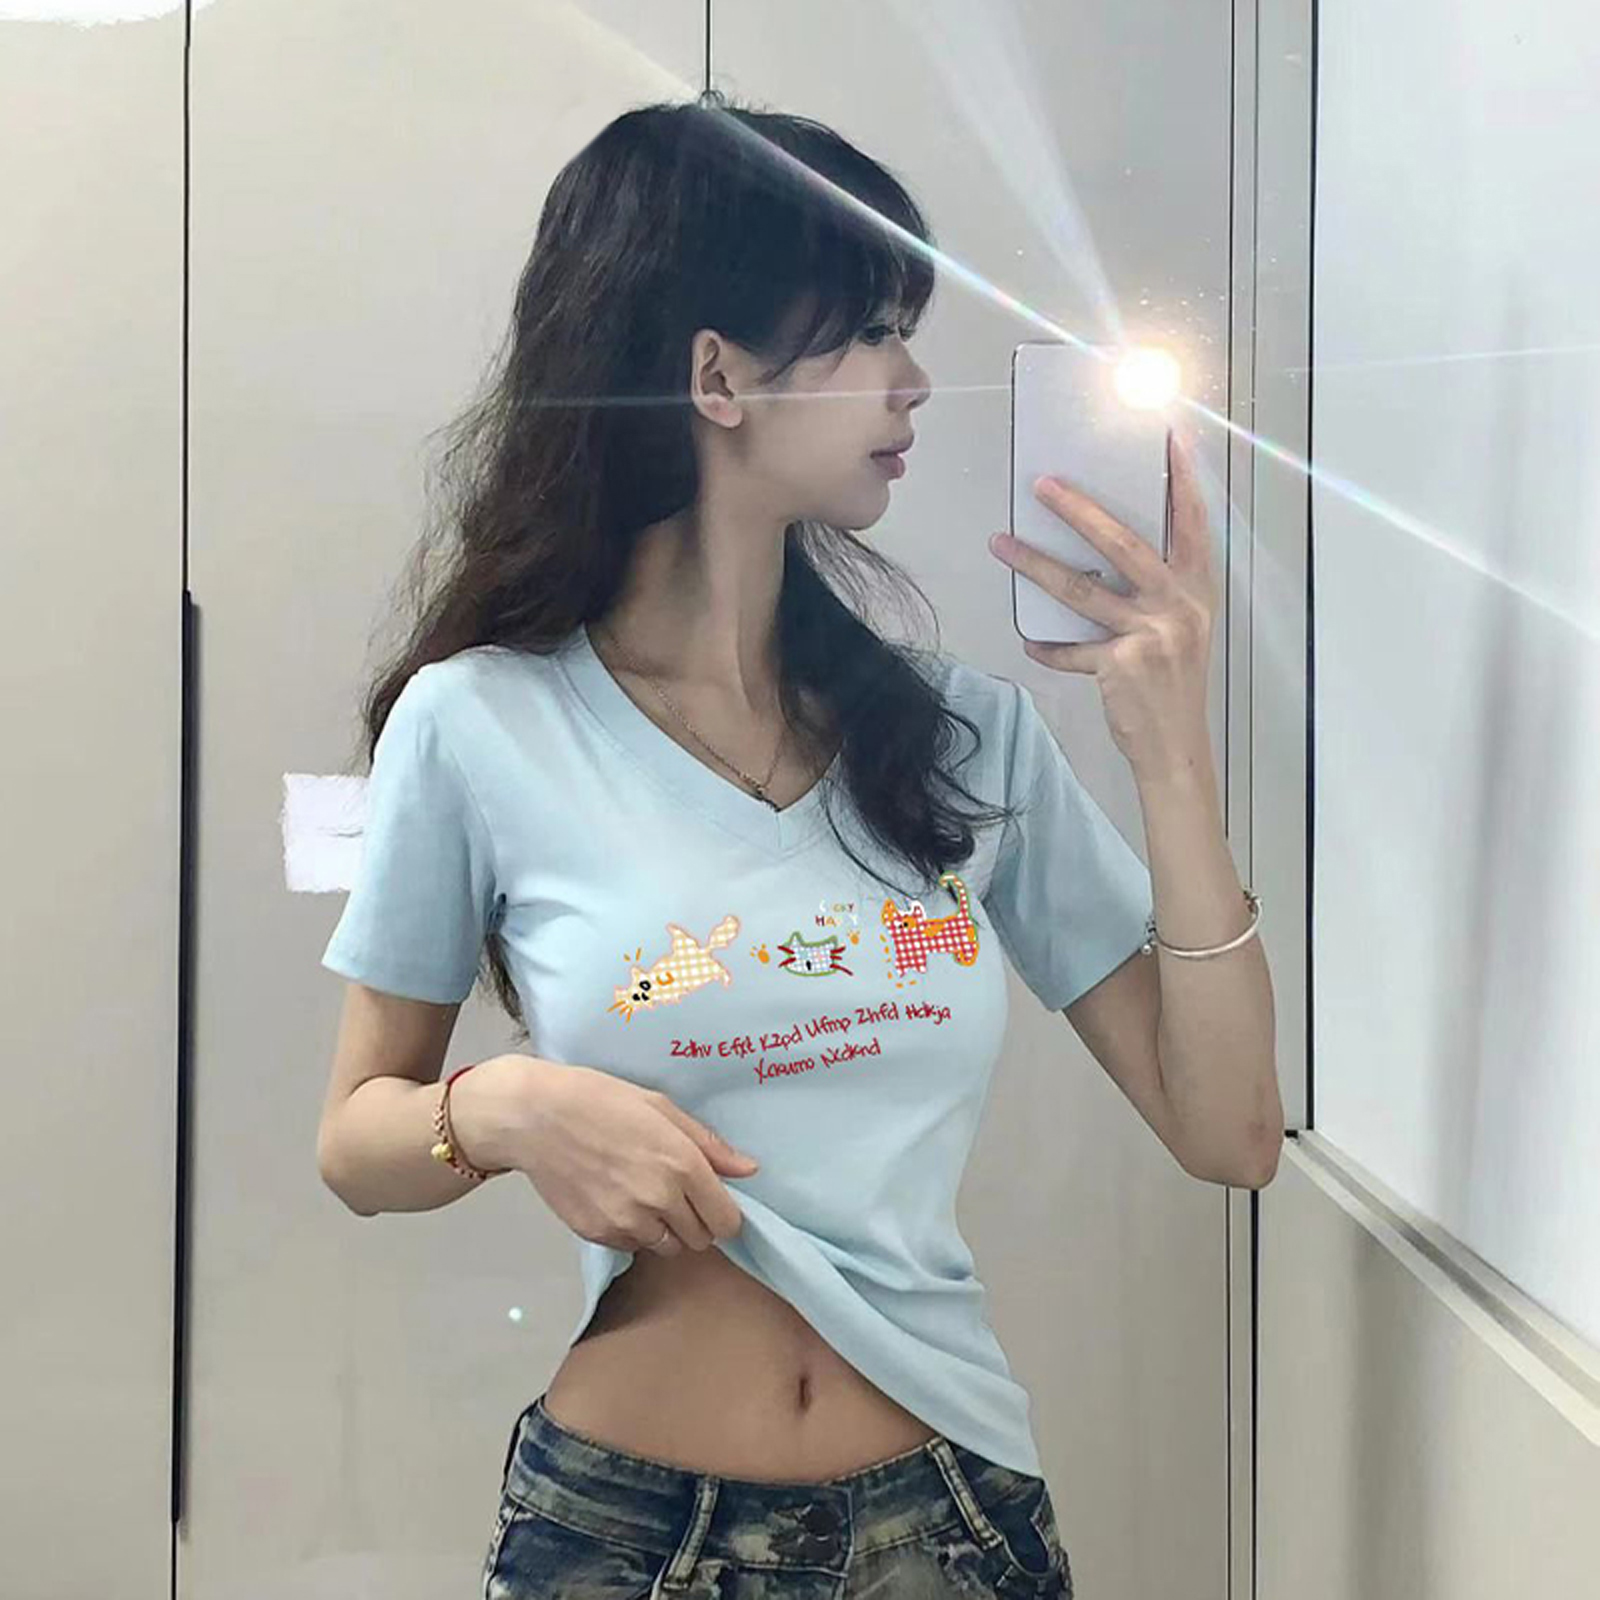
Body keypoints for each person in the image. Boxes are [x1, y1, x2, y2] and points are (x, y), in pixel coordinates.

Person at [317, 89, 1157, 1597]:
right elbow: (357, 1143)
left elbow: (1230, 1130)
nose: (915, 383)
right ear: (718, 376)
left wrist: (1176, 741)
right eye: (872, 333)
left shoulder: (953, 735)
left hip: (951, 1525)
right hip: (625, 1537)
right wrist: (508, 1108)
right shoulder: (481, 721)